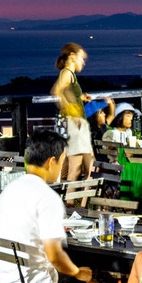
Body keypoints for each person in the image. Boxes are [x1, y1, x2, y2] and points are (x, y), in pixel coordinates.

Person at [0, 129, 105, 283]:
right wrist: (77, 272)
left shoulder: (8, 191)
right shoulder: (47, 197)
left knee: (62, 279)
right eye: (62, 161)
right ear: (52, 161)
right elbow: (54, 255)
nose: (61, 167)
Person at [52, 44, 92, 182]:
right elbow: (56, 91)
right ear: (72, 56)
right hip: (73, 124)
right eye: (82, 58)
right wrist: (72, 113)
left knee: (85, 168)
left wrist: (80, 98)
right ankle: (70, 202)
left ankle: (78, 201)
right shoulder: (67, 73)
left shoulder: (70, 75)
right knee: (76, 169)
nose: (83, 62)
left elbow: (66, 94)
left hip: (76, 124)